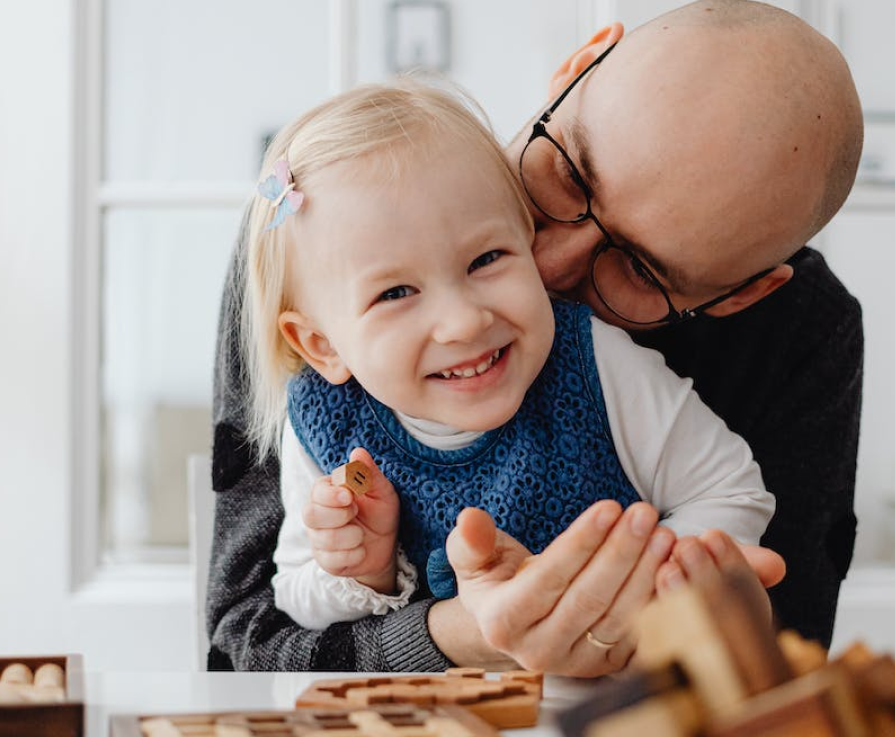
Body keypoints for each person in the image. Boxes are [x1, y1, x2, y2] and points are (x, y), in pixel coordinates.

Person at [208, 0, 862, 674]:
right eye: (569, 174)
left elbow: (790, 655)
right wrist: (447, 624)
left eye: (639, 269)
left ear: (742, 295)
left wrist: (671, 607)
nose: (543, 266)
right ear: (574, 70)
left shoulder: (795, 339)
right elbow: (241, 647)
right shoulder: (320, 248)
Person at [240, 81, 773, 632]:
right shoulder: (327, 423)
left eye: (487, 259)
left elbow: (728, 488)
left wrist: (648, 588)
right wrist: (364, 572)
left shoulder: (594, 364)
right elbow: (294, 596)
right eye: (395, 293)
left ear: (528, 239)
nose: (465, 321)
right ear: (322, 345)